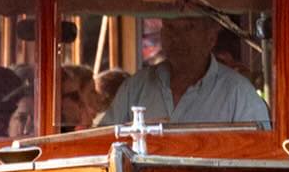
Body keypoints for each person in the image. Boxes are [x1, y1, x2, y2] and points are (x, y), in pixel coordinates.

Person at [105, 12, 270, 127]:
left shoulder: (239, 94)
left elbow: (260, 159)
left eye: (188, 27)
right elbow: (100, 146)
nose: (176, 37)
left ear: (211, 37)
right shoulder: (135, 88)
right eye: (170, 27)